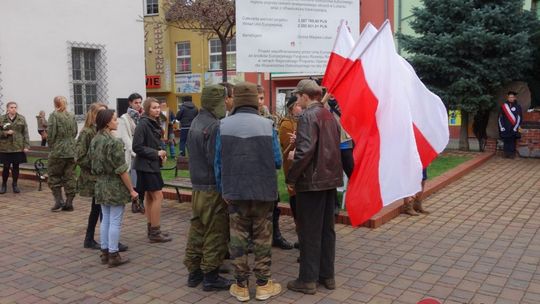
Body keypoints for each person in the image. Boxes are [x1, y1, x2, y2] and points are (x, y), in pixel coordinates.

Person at [215, 82, 282, 302]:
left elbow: (218, 163)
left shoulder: (223, 125)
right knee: (263, 238)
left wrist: (223, 189)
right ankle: (263, 285)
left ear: (236, 99)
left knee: (238, 238)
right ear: (255, 100)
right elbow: (277, 161)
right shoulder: (267, 125)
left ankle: (241, 286)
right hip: (263, 191)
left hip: (234, 191)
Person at [286, 79, 343, 295]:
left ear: (305, 96)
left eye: (298, 95)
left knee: (309, 232)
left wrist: (292, 177)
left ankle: (307, 280)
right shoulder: (329, 115)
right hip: (329, 181)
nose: (297, 99)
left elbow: (305, 151)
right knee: (327, 230)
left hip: (312, 183)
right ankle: (327, 276)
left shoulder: (308, 116)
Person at [184, 85, 231, 291]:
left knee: (197, 229)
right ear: (217, 102)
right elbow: (217, 161)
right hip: (212, 188)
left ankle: (194, 271)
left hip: (197, 187)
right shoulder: (215, 126)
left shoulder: (196, 121)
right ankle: (211, 276)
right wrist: (225, 189)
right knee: (215, 231)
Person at [89, 109, 138, 267]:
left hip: (101, 183)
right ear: (107, 122)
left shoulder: (95, 139)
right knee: (115, 220)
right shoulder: (114, 142)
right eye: (115, 119)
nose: (117, 122)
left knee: (106, 219)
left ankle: (105, 252)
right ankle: (113, 254)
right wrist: (131, 190)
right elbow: (121, 170)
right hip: (114, 184)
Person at [257, 84, 293, 250]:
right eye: (258, 98)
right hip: (255, 171)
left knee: (274, 204)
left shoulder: (270, 120)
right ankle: (255, 238)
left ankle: (275, 235)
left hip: (269, 171)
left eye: (262, 98)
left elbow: (276, 149)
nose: (260, 102)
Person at [133, 98, 172, 243]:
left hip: (150, 165)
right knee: (158, 196)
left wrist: (161, 152)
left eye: (158, 108)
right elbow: (137, 147)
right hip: (146, 166)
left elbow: (153, 143)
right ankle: (155, 231)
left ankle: (152, 229)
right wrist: (156, 153)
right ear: (147, 109)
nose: (157, 110)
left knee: (150, 197)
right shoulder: (143, 124)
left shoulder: (152, 122)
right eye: (154, 108)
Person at [77, 102, 108, 249]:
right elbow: (80, 156)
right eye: (101, 113)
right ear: (94, 114)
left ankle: (91, 239)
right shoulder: (87, 132)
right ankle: (104, 240)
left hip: (101, 176)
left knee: (98, 208)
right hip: (93, 177)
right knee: (101, 208)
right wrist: (96, 166)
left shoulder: (101, 131)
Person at [278, 95, 302, 242]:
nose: (302, 107)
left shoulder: (302, 121)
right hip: (293, 166)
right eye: (299, 105)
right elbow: (288, 150)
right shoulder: (286, 125)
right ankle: (298, 223)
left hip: (302, 165)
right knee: (294, 195)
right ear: (292, 108)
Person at [48, 96, 78, 212]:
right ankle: (69, 202)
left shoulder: (54, 115)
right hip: (71, 150)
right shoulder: (71, 116)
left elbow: (51, 134)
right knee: (70, 176)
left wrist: (53, 146)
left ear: (55, 104)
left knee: (54, 175)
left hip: (58, 151)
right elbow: (75, 132)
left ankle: (59, 201)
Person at [116, 93, 145, 214]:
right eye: (136, 103)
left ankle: (141, 201)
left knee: (142, 179)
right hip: (134, 153)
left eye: (139, 102)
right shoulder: (124, 118)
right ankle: (135, 202)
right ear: (130, 103)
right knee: (134, 179)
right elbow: (125, 138)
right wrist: (135, 152)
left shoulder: (143, 116)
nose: (138, 105)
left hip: (144, 151)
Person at [0, 101, 30, 194]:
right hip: (5, 147)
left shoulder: (21, 118)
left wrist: (26, 145)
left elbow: (25, 133)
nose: (14, 109)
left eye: (15, 107)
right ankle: (4, 184)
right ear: (7, 109)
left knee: (16, 166)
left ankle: (15, 184)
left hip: (18, 146)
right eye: (12, 107)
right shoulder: (2, 118)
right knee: (6, 166)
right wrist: (5, 133)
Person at [498, 91, 523, 158]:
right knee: (506, 140)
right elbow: (500, 117)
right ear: (507, 98)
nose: (511, 98)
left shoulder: (518, 106)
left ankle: (512, 154)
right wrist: (502, 127)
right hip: (505, 126)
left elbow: (519, 117)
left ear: (515, 98)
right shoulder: (504, 106)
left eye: (512, 97)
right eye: (509, 97)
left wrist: (516, 127)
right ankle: (506, 153)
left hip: (514, 127)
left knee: (512, 140)